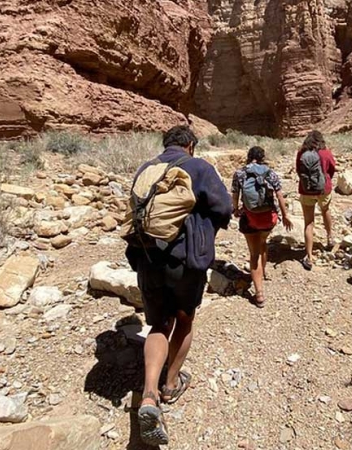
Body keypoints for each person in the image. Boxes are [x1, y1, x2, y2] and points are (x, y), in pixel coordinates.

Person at [125, 125, 232, 445]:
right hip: (185, 262)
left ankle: (147, 396)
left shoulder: (148, 168)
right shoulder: (198, 166)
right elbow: (224, 208)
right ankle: (170, 384)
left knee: (158, 323)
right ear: (190, 145)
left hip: (147, 259)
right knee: (184, 320)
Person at [231, 146, 293, 308]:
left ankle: (259, 293)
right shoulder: (270, 172)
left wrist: (236, 209)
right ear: (262, 157)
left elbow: (235, 194)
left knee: (254, 253)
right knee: (263, 242)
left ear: (249, 157)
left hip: (249, 218)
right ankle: (263, 272)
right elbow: (279, 195)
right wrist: (285, 216)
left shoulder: (240, 173)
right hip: (268, 219)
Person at [295, 130, 337, 271]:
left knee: (309, 222)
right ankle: (330, 238)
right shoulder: (326, 152)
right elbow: (332, 168)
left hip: (306, 190)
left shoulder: (301, 153)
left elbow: (298, 171)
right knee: (325, 210)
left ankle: (309, 256)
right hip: (324, 189)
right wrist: (326, 180)